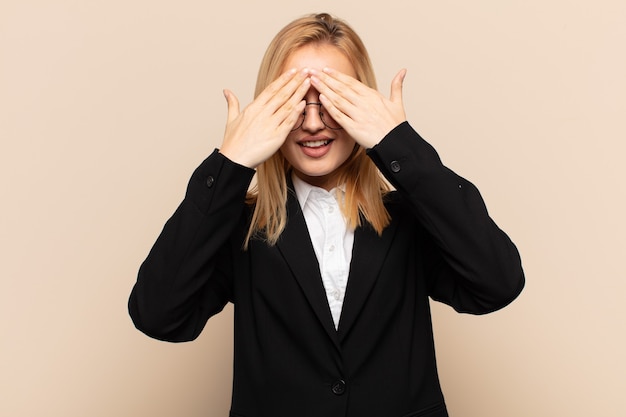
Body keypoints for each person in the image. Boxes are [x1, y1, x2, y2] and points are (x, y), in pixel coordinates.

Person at [128, 12, 524, 417]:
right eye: (295, 102)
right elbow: (158, 315)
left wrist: (399, 144)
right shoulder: (239, 226)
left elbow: (498, 282)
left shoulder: (411, 217)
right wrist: (231, 162)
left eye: (333, 100)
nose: (313, 123)